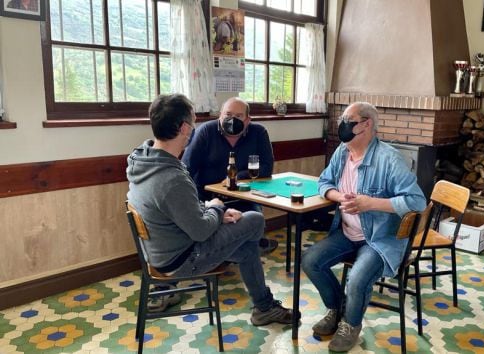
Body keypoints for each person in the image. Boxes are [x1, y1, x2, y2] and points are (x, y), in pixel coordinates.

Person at [126, 94, 292, 326]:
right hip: (182, 260)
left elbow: (181, 208)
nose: (194, 129)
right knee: (254, 220)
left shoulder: (142, 160)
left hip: (160, 251)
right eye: (193, 123)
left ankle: (263, 306)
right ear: (184, 128)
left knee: (245, 247)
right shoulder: (172, 177)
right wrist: (216, 208)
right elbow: (201, 232)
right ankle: (263, 303)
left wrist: (215, 213)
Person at [302, 102, 426, 352]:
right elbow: (324, 181)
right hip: (346, 233)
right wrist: (340, 197)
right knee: (310, 261)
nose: (342, 126)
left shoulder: (389, 159)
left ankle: (351, 324)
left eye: (349, 120)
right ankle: (337, 310)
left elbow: (417, 201)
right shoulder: (342, 151)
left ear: (367, 124)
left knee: (357, 279)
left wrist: (371, 203)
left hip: (379, 239)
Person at [182, 97, 279, 254]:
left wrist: (237, 176)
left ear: (247, 120)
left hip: (244, 197)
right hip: (208, 198)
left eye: (239, 116)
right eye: (228, 114)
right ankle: (228, 254)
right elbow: (186, 169)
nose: (232, 120)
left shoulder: (258, 133)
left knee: (256, 221)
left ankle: (245, 251)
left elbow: (267, 167)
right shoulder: (205, 132)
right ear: (220, 115)